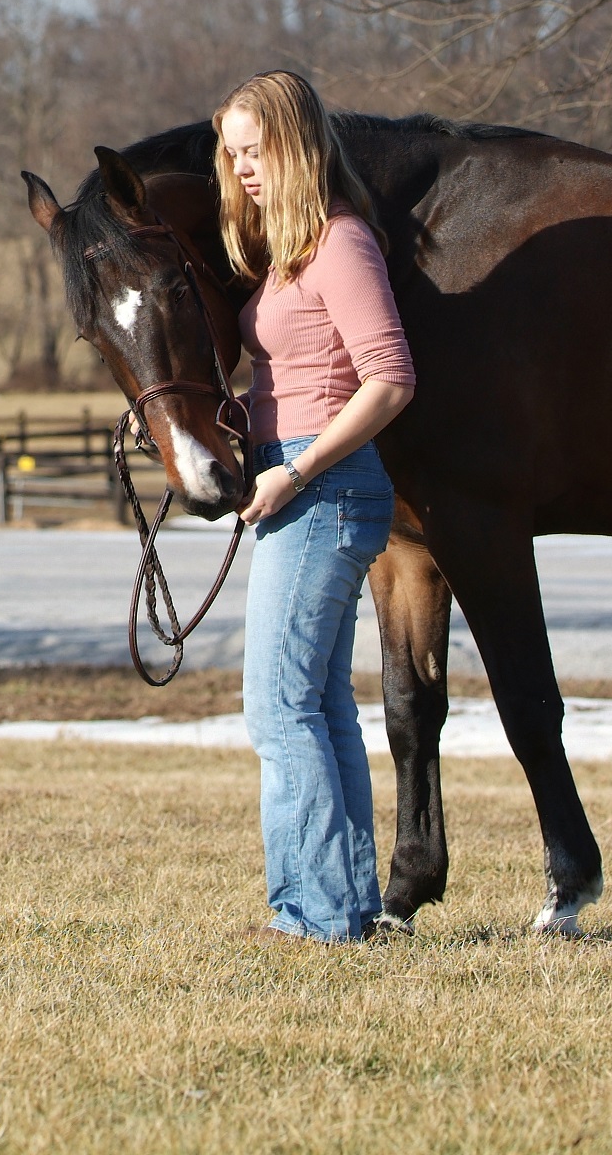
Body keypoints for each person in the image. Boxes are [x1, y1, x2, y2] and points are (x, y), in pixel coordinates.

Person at [216, 70, 416, 943]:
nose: (244, 169)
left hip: (321, 486)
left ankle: (315, 916)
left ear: (296, 145)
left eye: (257, 151)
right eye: (232, 154)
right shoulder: (289, 250)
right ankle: (343, 908)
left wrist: (293, 474)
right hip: (294, 479)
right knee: (321, 705)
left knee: (277, 709)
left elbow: (390, 380)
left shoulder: (340, 243)